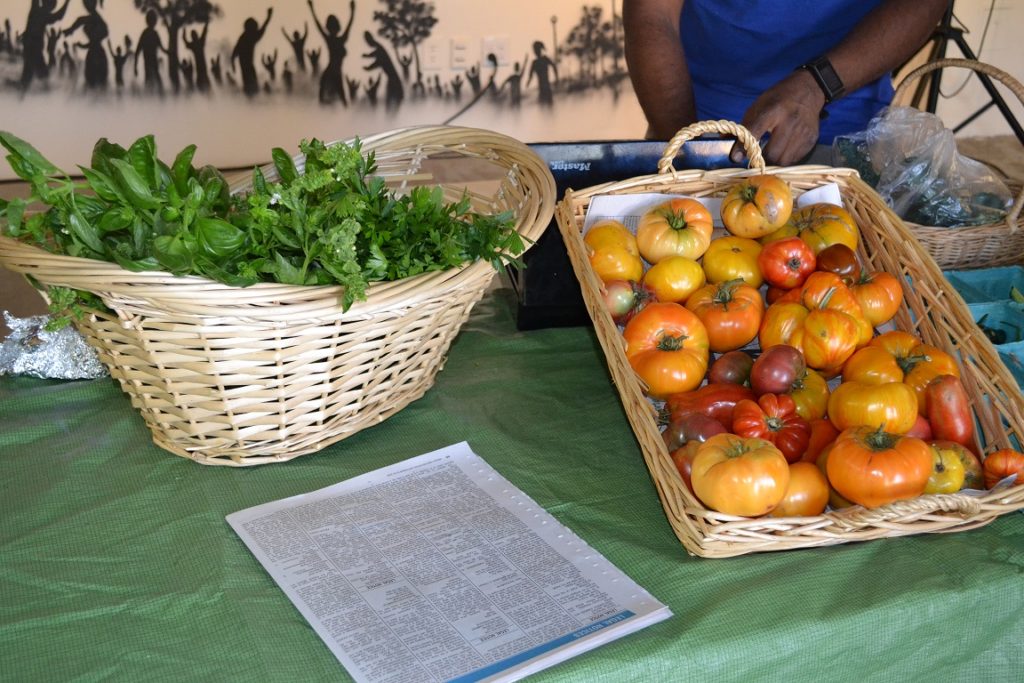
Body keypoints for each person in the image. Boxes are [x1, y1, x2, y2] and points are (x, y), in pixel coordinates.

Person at [623, 0, 948, 166]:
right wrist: (687, 152)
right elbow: (652, 15)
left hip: (842, 118)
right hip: (694, 118)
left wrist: (818, 85)